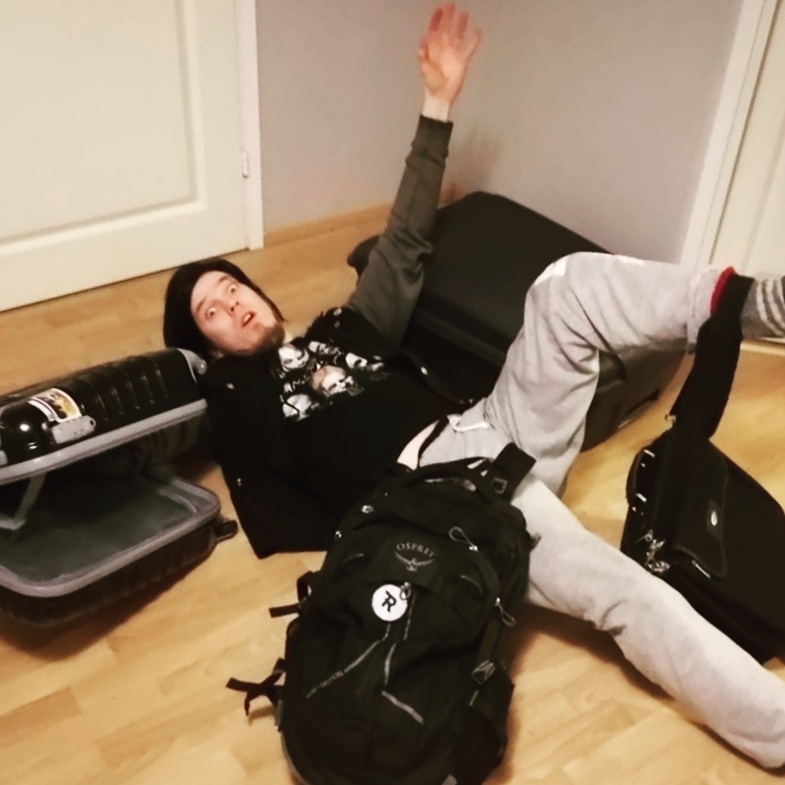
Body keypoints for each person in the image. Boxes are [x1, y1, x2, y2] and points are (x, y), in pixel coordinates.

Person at [162, 3, 785, 770]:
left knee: (564, 284)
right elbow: (172, 411)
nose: (231, 304)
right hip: (448, 501)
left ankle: (747, 305)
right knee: (628, 594)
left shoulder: (345, 325)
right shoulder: (238, 400)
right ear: (208, 346)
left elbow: (403, 239)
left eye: (232, 287)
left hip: (493, 421)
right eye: (211, 312)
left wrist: (437, 103)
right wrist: (196, 372)